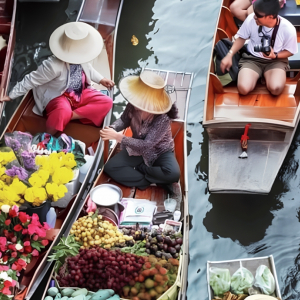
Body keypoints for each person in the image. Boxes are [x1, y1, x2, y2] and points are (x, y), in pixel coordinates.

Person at [0, 22, 114, 135]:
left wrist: (102, 79)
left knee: (106, 101)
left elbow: (89, 69)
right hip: (58, 95)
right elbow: (30, 80)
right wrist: (10, 95)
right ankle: (48, 135)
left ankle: (70, 116)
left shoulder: (82, 56)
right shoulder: (52, 66)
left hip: (79, 92)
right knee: (62, 111)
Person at [100, 71, 181, 203]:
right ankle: (150, 181)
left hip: (160, 152)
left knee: (173, 174)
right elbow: (123, 120)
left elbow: (147, 145)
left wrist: (118, 137)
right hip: (135, 149)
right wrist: (113, 128)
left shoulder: (163, 117)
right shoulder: (133, 104)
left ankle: (142, 170)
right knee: (110, 168)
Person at [221, 0, 297, 96]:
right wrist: (230, 54)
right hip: (252, 59)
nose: (254, 17)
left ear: (270, 17)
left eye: (258, 16)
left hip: (275, 61)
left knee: (276, 89)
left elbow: (291, 51)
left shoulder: (288, 29)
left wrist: (275, 55)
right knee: (243, 89)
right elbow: (241, 38)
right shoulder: (251, 19)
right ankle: (261, 76)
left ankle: (265, 76)